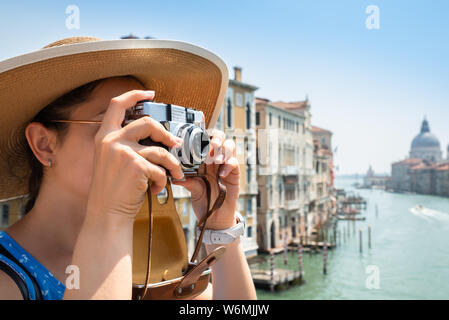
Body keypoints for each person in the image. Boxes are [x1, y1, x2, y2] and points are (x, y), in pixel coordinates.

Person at [0, 37, 257, 300]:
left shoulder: (147, 252)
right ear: (44, 144)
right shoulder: (8, 278)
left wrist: (219, 227)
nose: (143, 143)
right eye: (120, 124)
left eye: (147, 126)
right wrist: (110, 214)